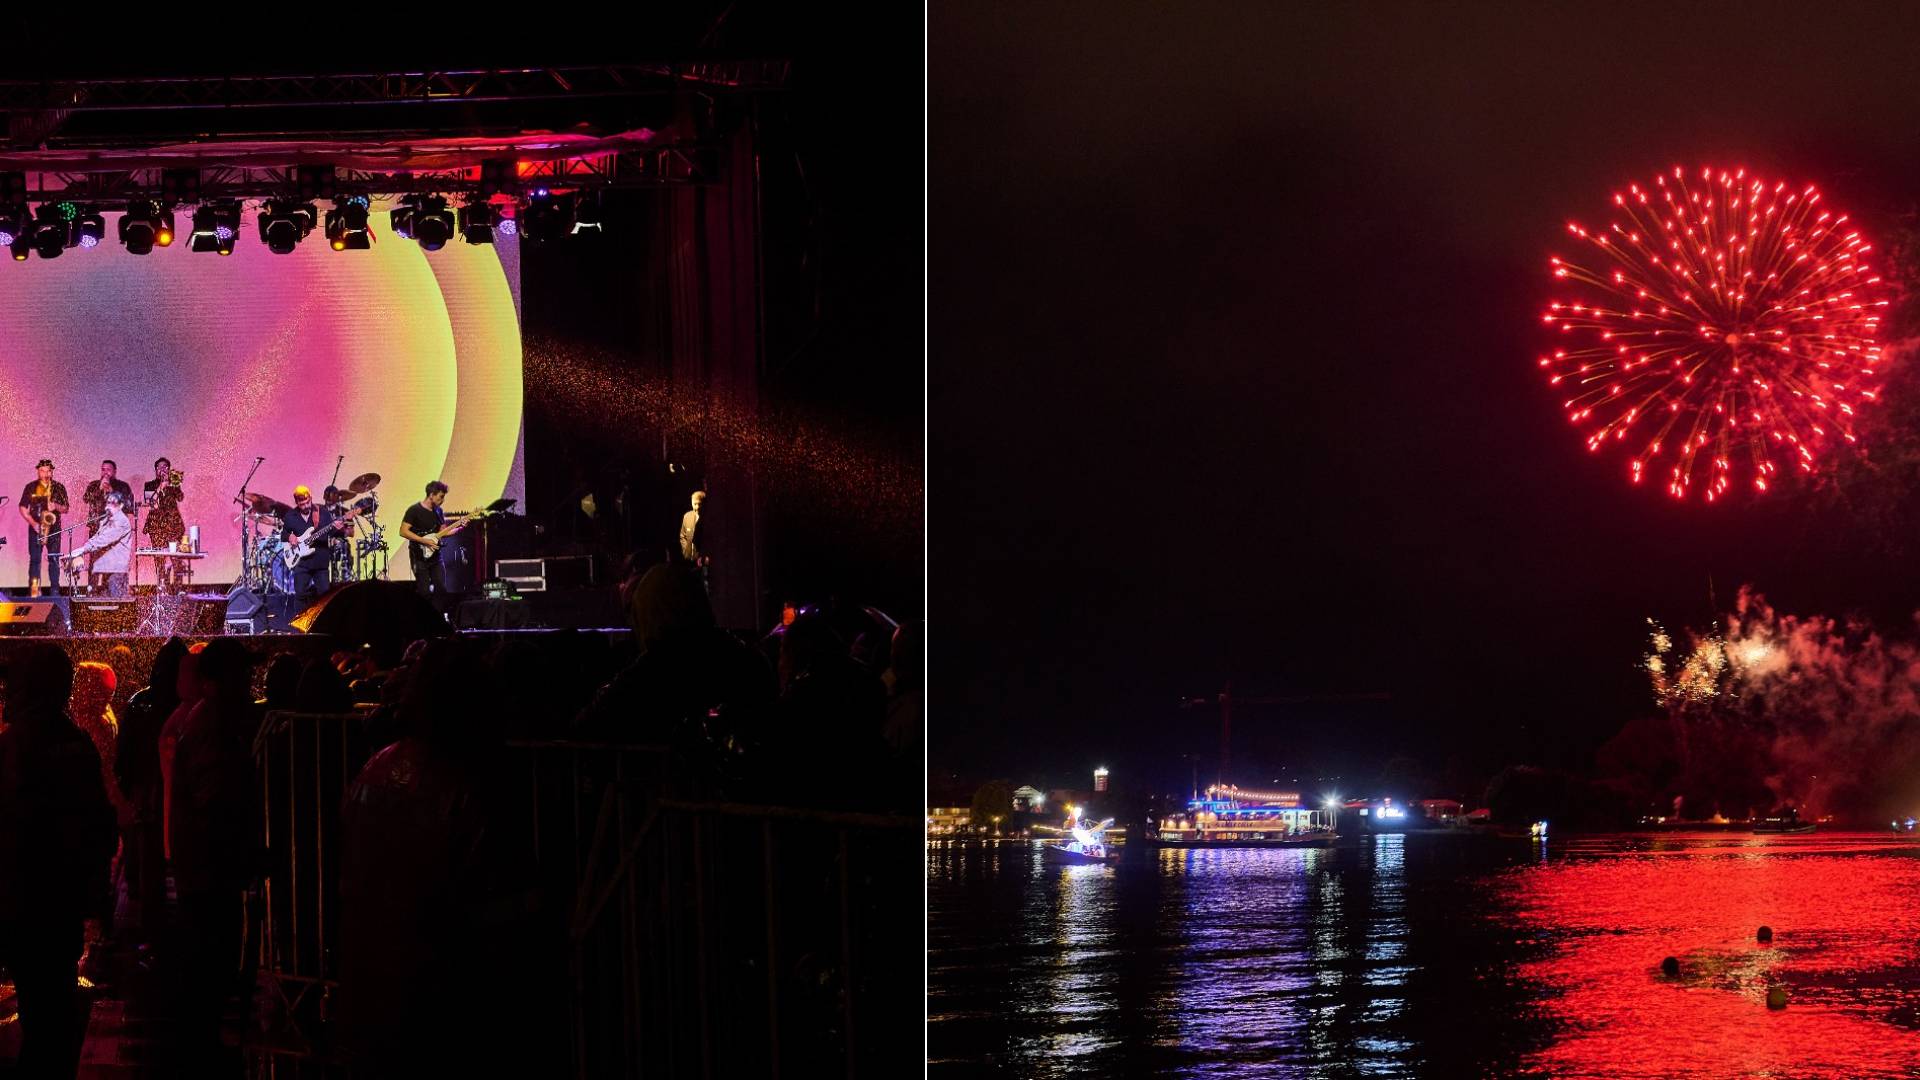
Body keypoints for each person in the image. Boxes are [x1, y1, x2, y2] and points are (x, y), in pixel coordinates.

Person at [0, 642, 118, 1077]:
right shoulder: (76, 744)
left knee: (38, 1009)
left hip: (21, 898)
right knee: (55, 1007)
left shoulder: (13, 746)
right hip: (61, 899)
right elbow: (98, 822)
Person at [400, 481, 461, 608]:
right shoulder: (414, 510)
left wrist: (459, 528)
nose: (442, 500)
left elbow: (442, 532)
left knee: (441, 589)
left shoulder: (438, 511)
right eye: (441, 497)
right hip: (419, 557)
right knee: (424, 592)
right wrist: (424, 540)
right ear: (431, 495)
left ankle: (436, 618)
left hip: (435, 557)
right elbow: (403, 531)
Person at [64, 490, 134, 597]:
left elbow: (104, 539)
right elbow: (97, 536)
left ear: (121, 505)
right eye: (108, 503)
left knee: (116, 603)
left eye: (113, 504)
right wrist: (80, 550)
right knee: (108, 604)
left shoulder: (121, 521)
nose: (108, 507)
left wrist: (83, 550)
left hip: (117, 570)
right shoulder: (107, 519)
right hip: (108, 567)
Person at [281, 485, 341, 601]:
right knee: (300, 596)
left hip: (320, 562)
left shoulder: (322, 512)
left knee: (325, 598)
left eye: (307, 502)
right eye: (302, 504)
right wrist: (290, 536)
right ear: (296, 502)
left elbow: (331, 532)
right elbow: (283, 535)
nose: (305, 506)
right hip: (301, 563)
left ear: (311, 498)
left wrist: (337, 528)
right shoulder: (290, 516)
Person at [19, 458, 69, 597]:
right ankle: (34, 591)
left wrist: (56, 506)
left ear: (52, 472)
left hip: (54, 528)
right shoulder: (30, 487)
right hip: (36, 528)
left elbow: (66, 508)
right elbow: (23, 507)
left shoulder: (58, 487)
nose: (46, 474)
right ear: (38, 471)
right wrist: (33, 522)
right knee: (35, 560)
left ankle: (54, 591)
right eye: (42, 471)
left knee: (54, 559)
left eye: (48, 471)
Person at [143, 457, 186, 591]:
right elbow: (150, 503)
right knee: (159, 558)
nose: (163, 470)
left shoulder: (174, 482)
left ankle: (178, 588)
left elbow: (180, 497)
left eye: (166, 467)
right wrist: (161, 487)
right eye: (160, 468)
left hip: (173, 526)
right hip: (156, 526)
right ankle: (162, 586)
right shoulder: (149, 485)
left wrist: (172, 484)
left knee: (176, 557)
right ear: (155, 470)